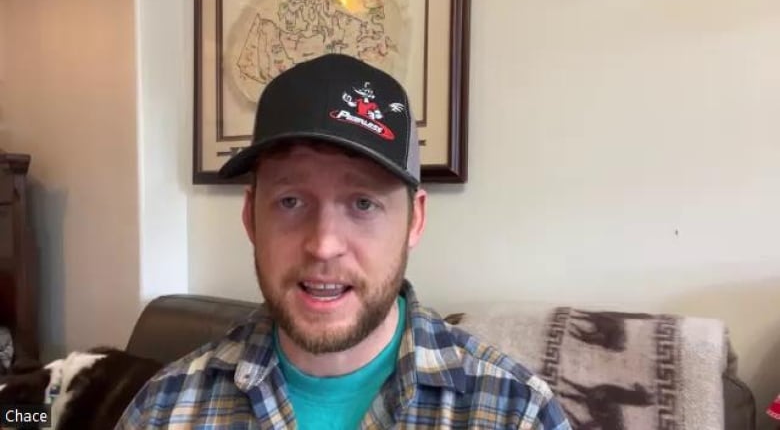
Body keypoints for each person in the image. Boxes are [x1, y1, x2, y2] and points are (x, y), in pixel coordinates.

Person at [116, 54, 571, 429]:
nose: (323, 245)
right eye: (291, 201)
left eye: (363, 204)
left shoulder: (517, 413)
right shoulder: (164, 410)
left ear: (416, 220)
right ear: (250, 219)